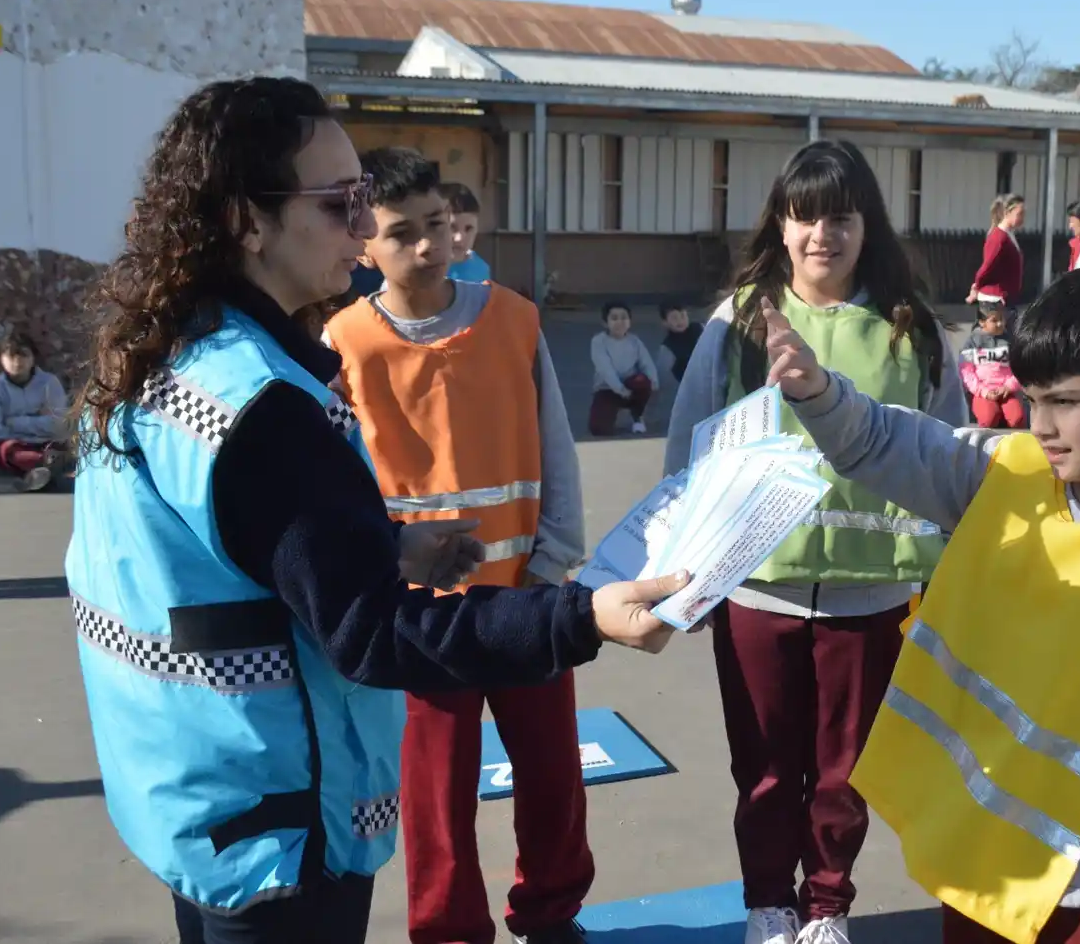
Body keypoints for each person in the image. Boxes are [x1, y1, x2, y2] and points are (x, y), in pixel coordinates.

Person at [62, 76, 689, 944]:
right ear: (249, 220)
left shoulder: (171, 357)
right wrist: (580, 618)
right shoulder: (262, 408)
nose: (363, 229)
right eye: (338, 204)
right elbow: (371, 632)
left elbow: (242, 555)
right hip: (280, 827)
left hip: (194, 800)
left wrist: (387, 548)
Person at [759, 263, 1080, 944]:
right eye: (1032, 400)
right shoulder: (1007, 470)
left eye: (1065, 402)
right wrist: (817, 392)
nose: (1039, 425)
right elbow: (885, 440)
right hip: (980, 867)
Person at [665, 139, 966, 944]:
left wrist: (952, 582)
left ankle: (827, 906)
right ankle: (769, 901)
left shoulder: (914, 331)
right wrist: (679, 573)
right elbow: (686, 446)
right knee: (763, 769)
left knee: (845, 773)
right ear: (781, 222)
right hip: (755, 587)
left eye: (840, 215)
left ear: (868, 226)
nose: (820, 233)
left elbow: (956, 456)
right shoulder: (736, 323)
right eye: (805, 216)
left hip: (874, 595)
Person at [323, 146, 593, 944]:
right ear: (364, 244)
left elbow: (557, 448)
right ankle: (448, 931)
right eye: (401, 233)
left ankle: (550, 912)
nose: (426, 246)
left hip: (527, 596)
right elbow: (342, 484)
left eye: (436, 225)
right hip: (421, 619)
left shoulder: (513, 318)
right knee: (436, 796)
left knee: (552, 776)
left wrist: (554, 562)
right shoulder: (343, 343)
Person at [0, 331, 68, 491]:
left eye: (23, 355)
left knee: (58, 450)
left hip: (48, 441)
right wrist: (39, 420)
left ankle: (36, 476)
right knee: (12, 453)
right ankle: (44, 471)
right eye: (11, 356)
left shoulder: (50, 383)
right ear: (1, 358)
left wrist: (14, 422)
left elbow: (59, 423)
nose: (17, 361)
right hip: (15, 445)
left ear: (33, 358)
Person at [589, 302, 658, 436]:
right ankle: (613, 412)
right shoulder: (598, 341)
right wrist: (620, 389)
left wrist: (654, 383)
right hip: (607, 388)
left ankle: (637, 415)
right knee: (599, 430)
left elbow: (646, 363)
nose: (619, 322)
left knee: (642, 381)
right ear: (605, 323)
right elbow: (605, 369)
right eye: (614, 318)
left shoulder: (634, 341)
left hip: (631, 387)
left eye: (624, 318)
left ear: (630, 322)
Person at [959, 303, 1025, 429]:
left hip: (1006, 391)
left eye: (1002, 319)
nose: (1000, 324)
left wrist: (1009, 386)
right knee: (988, 420)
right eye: (994, 320)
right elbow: (966, 372)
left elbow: (1020, 366)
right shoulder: (972, 342)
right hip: (983, 391)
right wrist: (983, 392)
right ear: (982, 322)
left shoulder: (1011, 341)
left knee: (1017, 419)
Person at [965, 194, 1025, 306]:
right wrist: (976, 287)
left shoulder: (1009, 235)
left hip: (1007, 298)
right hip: (995, 299)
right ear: (1007, 213)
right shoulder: (999, 237)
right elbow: (987, 266)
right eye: (1019, 214)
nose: (1022, 218)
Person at [440, 180, 492, 283]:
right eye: (452, 227)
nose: (460, 238)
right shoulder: (425, 269)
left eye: (469, 228)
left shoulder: (481, 269)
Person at [657, 302, 704, 386]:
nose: (680, 321)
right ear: (665, 322)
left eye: (683, 316)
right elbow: (662, 375)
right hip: (689, 383)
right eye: (674, 318)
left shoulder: (699, 328)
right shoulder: (668, 347)